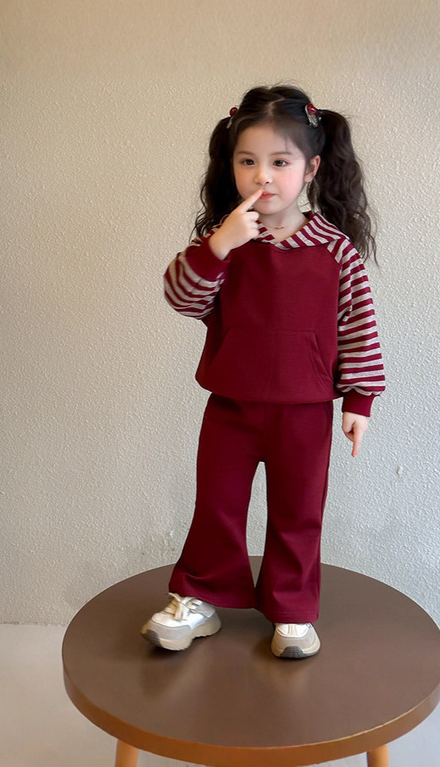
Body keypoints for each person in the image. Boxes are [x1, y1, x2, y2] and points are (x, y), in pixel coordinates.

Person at [141, 85, 385, 659]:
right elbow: (181, 297)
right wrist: (218, 245)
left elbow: (359, 326)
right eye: (247, 161)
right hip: (231, 408)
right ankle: (199, 598)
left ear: (311, 168)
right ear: (231, 166)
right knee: (216, 506)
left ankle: (292, 609)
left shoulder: (336, 251)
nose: (263, 176)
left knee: (299, 513)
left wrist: (359, 401)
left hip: (304, 414)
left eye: (280, 162)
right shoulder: (225, 243)